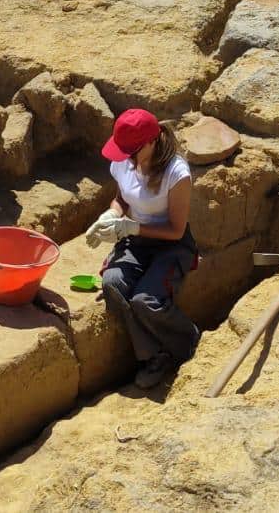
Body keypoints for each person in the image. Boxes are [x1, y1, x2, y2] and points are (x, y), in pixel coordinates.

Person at [84, 109, 200, 389]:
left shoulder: (176, 173)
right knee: (112, 283)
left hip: (170, 245)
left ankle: (189, 341)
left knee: (144, 300)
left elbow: (175, 229)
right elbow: (121, 200)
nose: (125, 158)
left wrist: (132, 227)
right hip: (135, 242)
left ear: (151, 142)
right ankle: (154, 356)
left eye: (131, 152)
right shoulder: (125, 161)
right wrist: (111, 215)